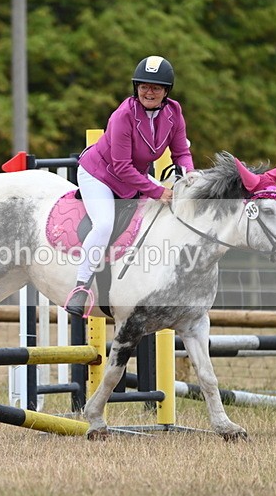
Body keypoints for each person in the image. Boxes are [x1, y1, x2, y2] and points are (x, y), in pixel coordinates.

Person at [64, 55, 195, 317]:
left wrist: (189, 178)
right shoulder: (123, 115)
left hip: (133, 177)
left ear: (166, 91)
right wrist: (158, 191)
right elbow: (121, 167)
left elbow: (181, 153)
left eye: (156, 87)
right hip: (100, 175)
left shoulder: (174, 112)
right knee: (103, 225)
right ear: (136, 87)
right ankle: (81, 286)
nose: (149, 92)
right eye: (144, 86)